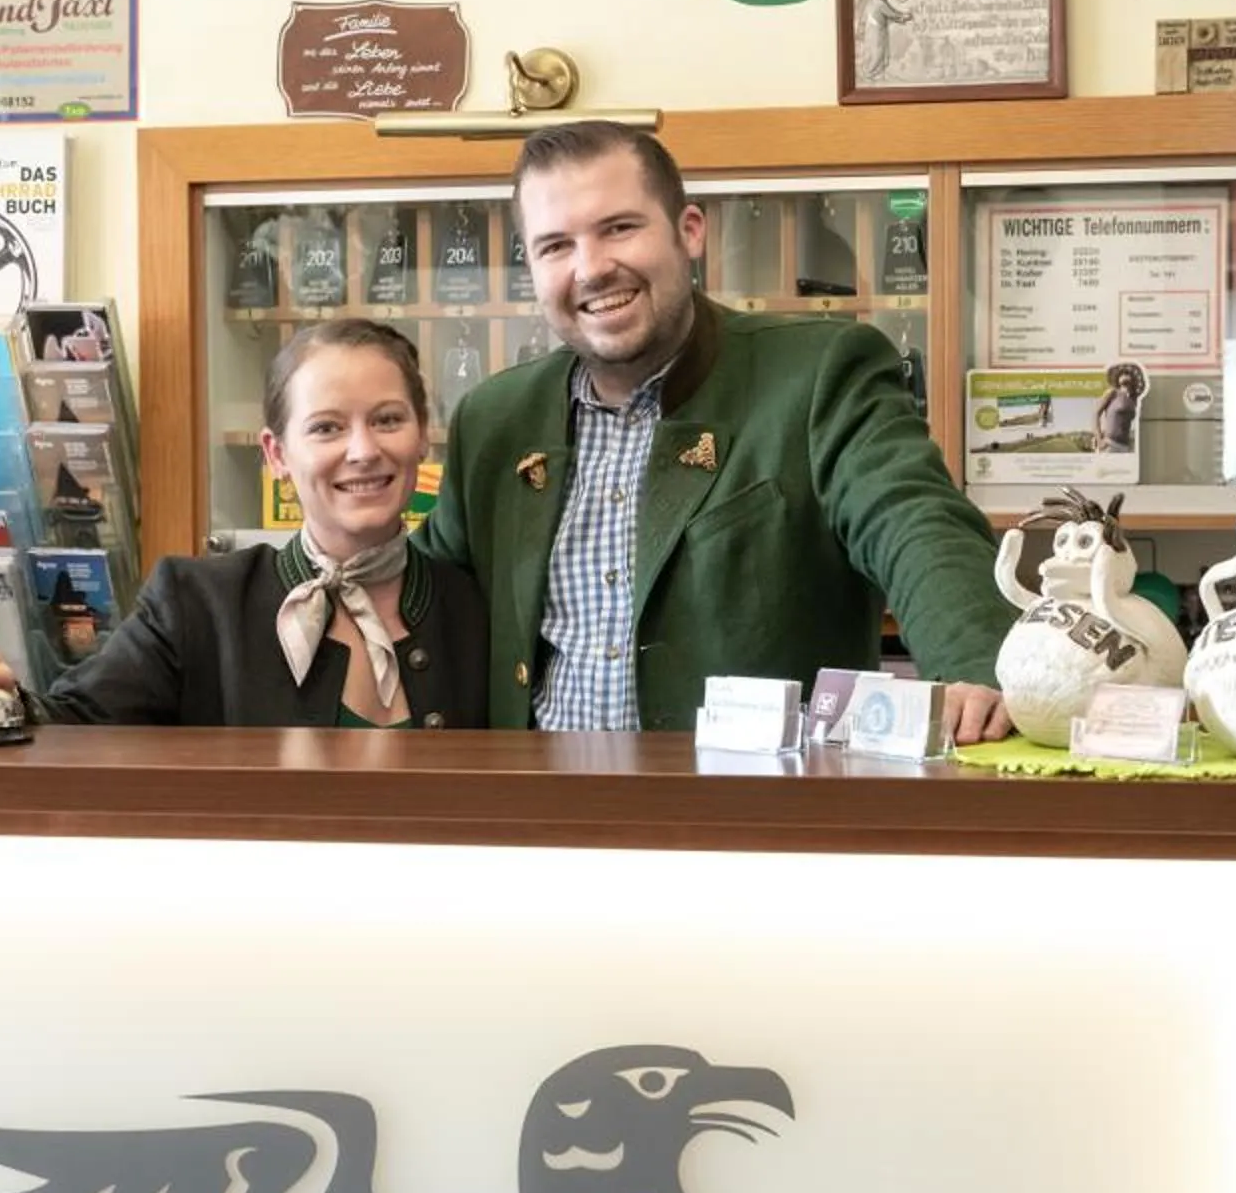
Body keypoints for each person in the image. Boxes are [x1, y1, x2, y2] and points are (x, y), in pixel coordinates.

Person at [417, 122, 1013, 742]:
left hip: (745, 823)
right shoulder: (494, 419)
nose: (590, 268)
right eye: (555, 246)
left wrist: (977, 668)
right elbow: (420, 598)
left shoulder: (819, 375)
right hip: (541, 822)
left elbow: (914, 523)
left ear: (689, 231)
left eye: (619, 227)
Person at [0, 319, 486, 727]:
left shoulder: (476, 609)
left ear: (423, 436)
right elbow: (73, 725)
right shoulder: (194, 605)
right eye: (327, 428)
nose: (363, 450)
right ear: (276, 454)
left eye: (387, 420)